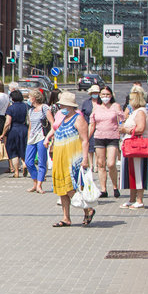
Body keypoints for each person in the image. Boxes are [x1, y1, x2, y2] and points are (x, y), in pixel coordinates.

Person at [43, 92, 94, 227]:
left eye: (63, 105)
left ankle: (88, 209)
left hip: (72, 159)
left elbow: (84, 140)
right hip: (60, 159)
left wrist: (85, 159)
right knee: (61, 189)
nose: (61, 107)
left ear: (69, 106)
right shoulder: (63, 119)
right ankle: (66, 217)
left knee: (71, 188)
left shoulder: (78, 119)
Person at [88, 86, 123, 198]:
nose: (105, 97)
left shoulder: (115, 106)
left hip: (112, 137)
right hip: (99, 137)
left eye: (107, 94)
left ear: (111, 95)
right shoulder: (96, 108)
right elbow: (92, 124)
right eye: (103, 94)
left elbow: (122, 121)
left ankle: (115, 186)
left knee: (111, 163)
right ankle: (103, 189)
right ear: (100, 95)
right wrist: (86, 138)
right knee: (101, 164)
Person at [119, 85, 148, 209]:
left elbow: (141, 128)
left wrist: (126, 129)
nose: (129, 102)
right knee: (131, 172)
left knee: (138, 171)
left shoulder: (141, 112)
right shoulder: (135, 112)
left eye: (131, 100)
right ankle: (132, 198)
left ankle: (139, 199)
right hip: (130, 145)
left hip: (137, 146)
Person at [25, 89, 54, 193]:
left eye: (29, 97)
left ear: (34, 98)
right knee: (28, 161)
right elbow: (30, 126)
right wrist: (28, 138)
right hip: (32, 138)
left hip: (41, 137)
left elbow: (52, 123)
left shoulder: (44, 108)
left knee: (42, 162)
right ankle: (35, 181)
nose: (28, 99)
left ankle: (39, 185)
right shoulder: (31, 110)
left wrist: (50, 137)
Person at [0, 90, 28, 178]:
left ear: (12, 98)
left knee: (13, 151)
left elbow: (8, 122)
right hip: (24, 129)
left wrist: (3, 133)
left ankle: (16, 172)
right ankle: (24, 164)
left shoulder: (11, 108)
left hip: (14, 130)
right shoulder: (25, 106)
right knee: (23, 148)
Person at [80, 85, 100, 171]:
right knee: (89, 146)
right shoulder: (86, 103)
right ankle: (91, 164)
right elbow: (83, 114)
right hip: (89, 125)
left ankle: (97, 164)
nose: (95, 94)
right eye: (94, 93)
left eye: (97, 93)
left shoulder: (101, 102)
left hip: (99, 126)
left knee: (97, 146)